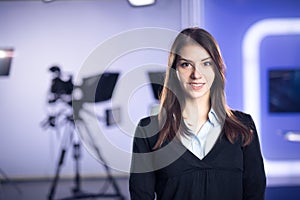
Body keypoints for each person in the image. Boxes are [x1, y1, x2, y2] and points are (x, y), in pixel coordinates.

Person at [129, 27, 266, 200]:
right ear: (174, 71)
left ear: (217, 69)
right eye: (186, 64)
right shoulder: (148, 131)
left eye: (206, 63)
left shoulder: (244, 127)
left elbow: (255, 192)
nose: (196, 74)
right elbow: (141, 196)